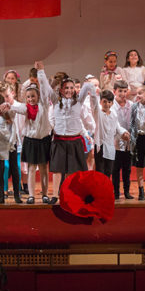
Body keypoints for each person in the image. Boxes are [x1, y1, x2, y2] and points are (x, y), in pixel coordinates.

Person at [42, 68, 96, 204]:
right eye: (66, 88)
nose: (69, 90)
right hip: (59, 141)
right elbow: (46, 87)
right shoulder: (55, 101)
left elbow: (88, 86)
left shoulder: (78, 101)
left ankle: (68, 193)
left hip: (74, 141)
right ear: (61, 89)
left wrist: (90, 84)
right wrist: (40, 71)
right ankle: (55, 195)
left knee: (72, 171)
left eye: (72, 88)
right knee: (57, 170)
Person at [8, 62, 53, 204]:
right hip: (31, 141)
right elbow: (14, 105)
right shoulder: (25, 108)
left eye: (33, 96)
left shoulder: (44, 105)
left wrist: (41, 72)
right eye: (28, 97)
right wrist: (7, 104)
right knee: (32, 168)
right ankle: (32, 195)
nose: (31, 99)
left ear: (38, 96)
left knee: (44, 169)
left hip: (44, 140)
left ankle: (45, 194)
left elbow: (45, 89)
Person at [91, 89, 130, 178]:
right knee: (100, 171)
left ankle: (106, 190)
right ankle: (99, 191)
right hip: (100, 146)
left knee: (108, 171)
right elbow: (93, 105)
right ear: (100, 102)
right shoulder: (98, 113)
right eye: (104, 101)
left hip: (110, 146)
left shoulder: (113, 114)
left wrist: (124, 133)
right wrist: (92, 91)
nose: (107, 104)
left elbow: (117, 127)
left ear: (112, 103)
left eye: (109, 102)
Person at [111, 80, 134, 200]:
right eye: (120, 91)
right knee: (115, 169)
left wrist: (130, 134)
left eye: (125, 91)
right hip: (115, 141)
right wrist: (121, 134)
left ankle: (127, 192)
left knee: (127, 169)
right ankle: (115, 192)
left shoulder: (131, 104)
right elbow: (112, 123)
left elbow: (134, 122)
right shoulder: (111, 105)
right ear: (114, 91)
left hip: (128, 141)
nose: (123, 94)